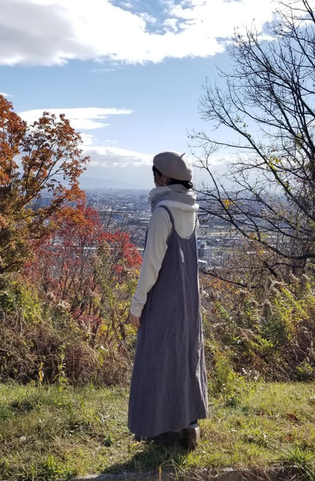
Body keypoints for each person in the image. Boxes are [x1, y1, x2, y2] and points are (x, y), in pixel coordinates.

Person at [128, 151, 208, 450]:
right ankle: (188, 422)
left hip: (163, 298)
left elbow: (151, 264)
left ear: (161, 178)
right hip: (188, 297)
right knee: (186, 357)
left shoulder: (163, 212)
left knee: (156, 358)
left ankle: (157, 426)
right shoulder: (190, 210)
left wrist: (137, 306)